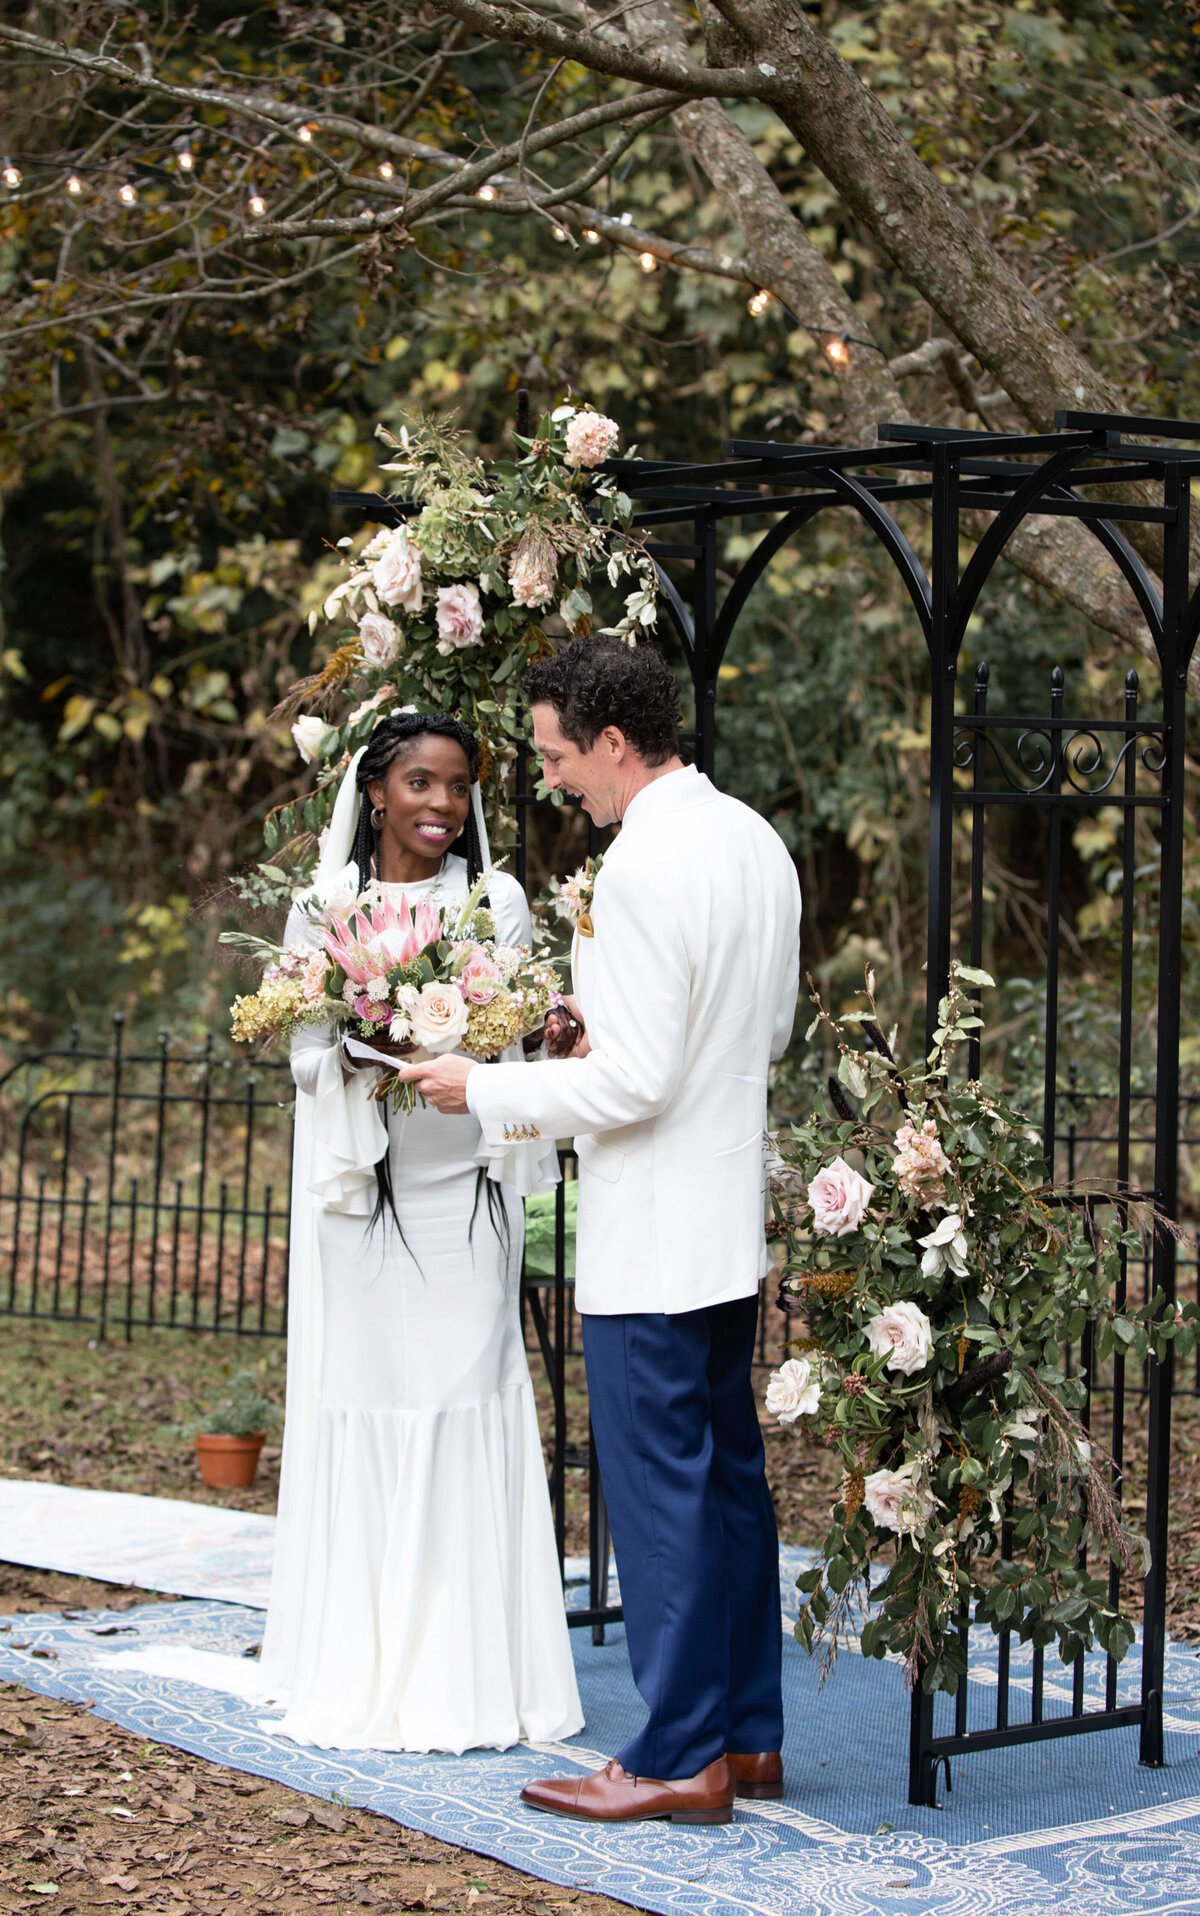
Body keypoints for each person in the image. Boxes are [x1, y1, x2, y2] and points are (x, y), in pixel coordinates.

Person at [115, 711, 583, 1755]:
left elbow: (509, 1044)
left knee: (463, 1392)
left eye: (458, 787)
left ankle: (472, 1668)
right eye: (421, 782)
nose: (441, 805)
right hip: (361, 1188)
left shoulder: (491, 899)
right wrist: (364, 1031)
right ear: (376, 791)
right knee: (372, 1395)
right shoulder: (327, 904)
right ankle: (366, 1655)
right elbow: (303, 1054)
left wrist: (465, 1033)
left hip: (464, 1187)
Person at [399, 642, 802, 1825]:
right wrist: (602, 1035)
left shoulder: (637, 869)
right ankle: (749, 1732)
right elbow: (756, 1029)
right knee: (729, 1482)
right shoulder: (754, 840)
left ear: (613, 743)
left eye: (559, 756)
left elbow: (633, 1086)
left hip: (650, 1237)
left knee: (662, 1496)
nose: (555, 778)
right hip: (726, 1222)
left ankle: (679, 1752)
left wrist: (483, 1086)